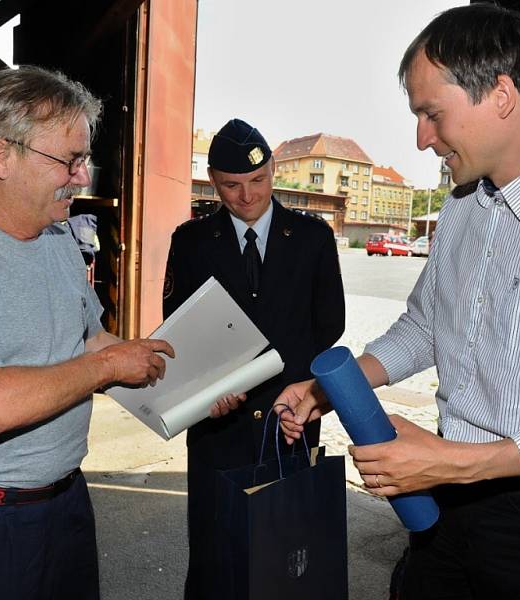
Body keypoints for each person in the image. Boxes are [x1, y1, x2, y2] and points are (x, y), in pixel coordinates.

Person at [277, 4, 520, 599]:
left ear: (501, 94)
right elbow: (427, 324)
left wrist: (450, 463)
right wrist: (339, 386)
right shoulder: (461, 208)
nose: (422, 138)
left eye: (431, 113)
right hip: (442, 504)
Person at [0, 66, 174, 600]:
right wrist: (109, 367)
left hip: (66, 502)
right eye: (69, 160)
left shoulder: (58, 236)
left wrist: (190, 383)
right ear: (1, 156)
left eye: (84, 159)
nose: (83, 176)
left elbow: (88, 339)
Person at [163, 117, 345, 599]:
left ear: (272, 171)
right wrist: (207, 390)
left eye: (257, 180)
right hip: (218, 427)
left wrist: (303, 387)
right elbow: (181, 331)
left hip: (289, 419)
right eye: (231, 186)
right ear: (214, 183)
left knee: (287, 557)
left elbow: (330, 325)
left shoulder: (312, 237)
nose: (247, 196)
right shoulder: (191, 242)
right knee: (215, 556)